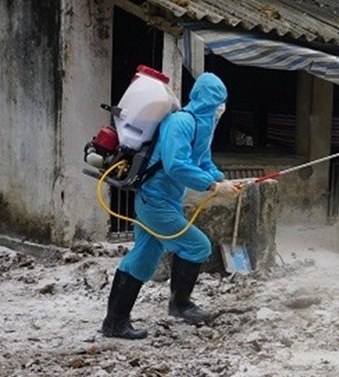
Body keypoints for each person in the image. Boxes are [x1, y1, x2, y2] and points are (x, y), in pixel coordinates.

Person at [101, 72, 239, 340]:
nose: (221, 107)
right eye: (218, 101)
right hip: (154, 199)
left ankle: (114, 322)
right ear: (206, 99)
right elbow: (176, 165)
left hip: (168, 201)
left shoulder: (203, 125)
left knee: (143, 258)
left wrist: (220, 178)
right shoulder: (181, 122)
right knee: (197, 246)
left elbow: (202, 161)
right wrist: (211, 187)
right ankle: (180, 305)